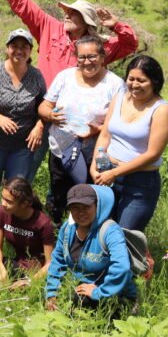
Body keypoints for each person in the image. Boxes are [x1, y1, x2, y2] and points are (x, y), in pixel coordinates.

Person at [0, 0, 138, 85]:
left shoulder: (98, 46)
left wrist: (116, 25)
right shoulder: (49, 28)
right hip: (43, 104)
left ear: (86, 21)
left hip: (75, 113)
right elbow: (27, 7)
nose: (66, 15)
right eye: (66, 11)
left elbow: (130, 44)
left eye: (73, 13)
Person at [38, 36, 125, 223]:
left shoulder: (115, 84)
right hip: (61, 151)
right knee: (60, 195)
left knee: (91, 198)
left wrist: (99, 130)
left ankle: (91, 239)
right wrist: (50, 115)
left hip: (95, 155)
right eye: (82, 57)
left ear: (103, 57)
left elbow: (121, 121)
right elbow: (44, 106)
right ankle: (56, 235)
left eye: (92, 56)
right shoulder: (65, 76)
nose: (87, 62)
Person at [90, 56, 168, 233]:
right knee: (102, 230)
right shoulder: (119, 97)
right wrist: (95, 165)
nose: (135, 85)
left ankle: (139, 259)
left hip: (140, 182)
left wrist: (114, 172)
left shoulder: (161, 109)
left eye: (141, 80)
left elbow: (153, 154)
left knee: (125, 235)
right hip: (108, 172)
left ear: (154, 82)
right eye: (131, 79)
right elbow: (105, 135)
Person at [0, 29, 47, 209]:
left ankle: (10, 223)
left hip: (22, 146)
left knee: (16, 189)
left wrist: (40, 126)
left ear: (30, 50)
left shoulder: (36, 76)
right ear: (7, 48)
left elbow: (45, 106)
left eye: (24, 47)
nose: (18, 50)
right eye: (14, 46)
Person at [45, 184, 137, 311]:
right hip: (82, 289)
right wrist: (52, 294)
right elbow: (57, 261)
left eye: (86, 207)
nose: (81, 212)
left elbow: (122, 268)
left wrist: (99, 292)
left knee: (81, 302)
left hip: (114, 294)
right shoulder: (67, 229)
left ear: (97, 205)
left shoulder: (110, 231)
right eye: (75, 207)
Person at [0, 177, 55, 288]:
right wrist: (0, 268)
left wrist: (29, 282)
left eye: (8, 201)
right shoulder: (2, 211)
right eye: (3, 198)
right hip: (14, 263)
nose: (3, 203)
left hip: (34, 271)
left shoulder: (43, 223)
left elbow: (51, 263)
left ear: (25, 203)